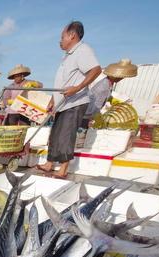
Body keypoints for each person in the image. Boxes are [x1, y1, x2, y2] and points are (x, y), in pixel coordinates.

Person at [37, 21, 101, 178]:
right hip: (62, 103)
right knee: (55, 134)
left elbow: (96, 69)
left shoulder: (83, 51)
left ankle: (63, 169)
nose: (60, 40)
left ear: (72, 35)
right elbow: (62, 81)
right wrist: (53, 99)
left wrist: (78, 88)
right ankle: (49, 163)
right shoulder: (68, 55)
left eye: (62, 36)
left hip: (75, 102)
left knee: (66, 135)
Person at [82, 59, 138, 128]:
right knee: (84, 133)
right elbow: (96, 105)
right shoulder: (103, 87)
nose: (121, 79)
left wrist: (111, 99)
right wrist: (92, 119)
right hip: (86, 115)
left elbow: (104, 98)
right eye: (120, 77)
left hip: (87, 113)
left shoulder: (108, 83)